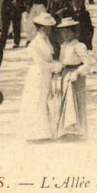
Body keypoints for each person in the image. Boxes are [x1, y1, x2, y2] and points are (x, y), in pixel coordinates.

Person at [17, 12, 59, 142]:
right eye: (47, 26)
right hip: (38, 75)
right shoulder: (34, 44)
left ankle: (45, 132)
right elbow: (40, 63)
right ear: (40, 27)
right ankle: (34, 133)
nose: (50, 29)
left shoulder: (46, 40)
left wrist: (55, 65)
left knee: (45, 101)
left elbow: (49, 58)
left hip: (46, 74)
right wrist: (55, 66)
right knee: (36, 101)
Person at [52, 17, 95, 139]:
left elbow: (88, 63)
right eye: (62, 31)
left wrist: (78, 72)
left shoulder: (79, 45)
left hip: (76, 76)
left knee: (77, 102)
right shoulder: (63, 46)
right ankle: (65, 131)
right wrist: (58, 68)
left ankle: (79, 131)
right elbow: (62, 61)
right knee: (65, 101)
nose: (64, 34)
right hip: (65, 75)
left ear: (74, 31)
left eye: (67, 31)